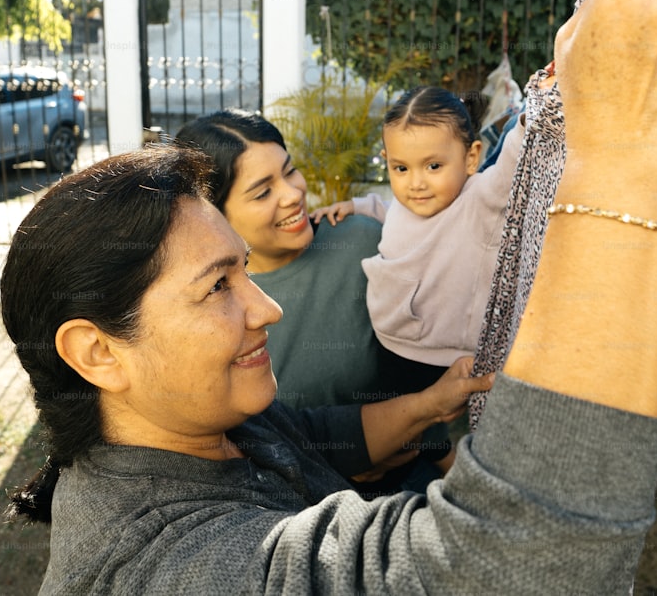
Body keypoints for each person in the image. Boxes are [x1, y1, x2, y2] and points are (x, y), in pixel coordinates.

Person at [2, 0, 657, 592]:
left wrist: (436, 402)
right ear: (96, 351)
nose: (266, 307)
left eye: (245, 269)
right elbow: (522, 562)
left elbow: (317, 436)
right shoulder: (165, 566)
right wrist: (622, 146)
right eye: (219, 285)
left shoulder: (206, 425)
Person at [173, 110, 457, 490]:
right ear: (214, 215)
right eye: (263, 192)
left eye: (289, 172)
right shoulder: (203, 308)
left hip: (415, 486)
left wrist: (428, 445)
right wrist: (330, 462)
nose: (293, 195)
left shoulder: (363, 243)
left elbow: (430, 364)